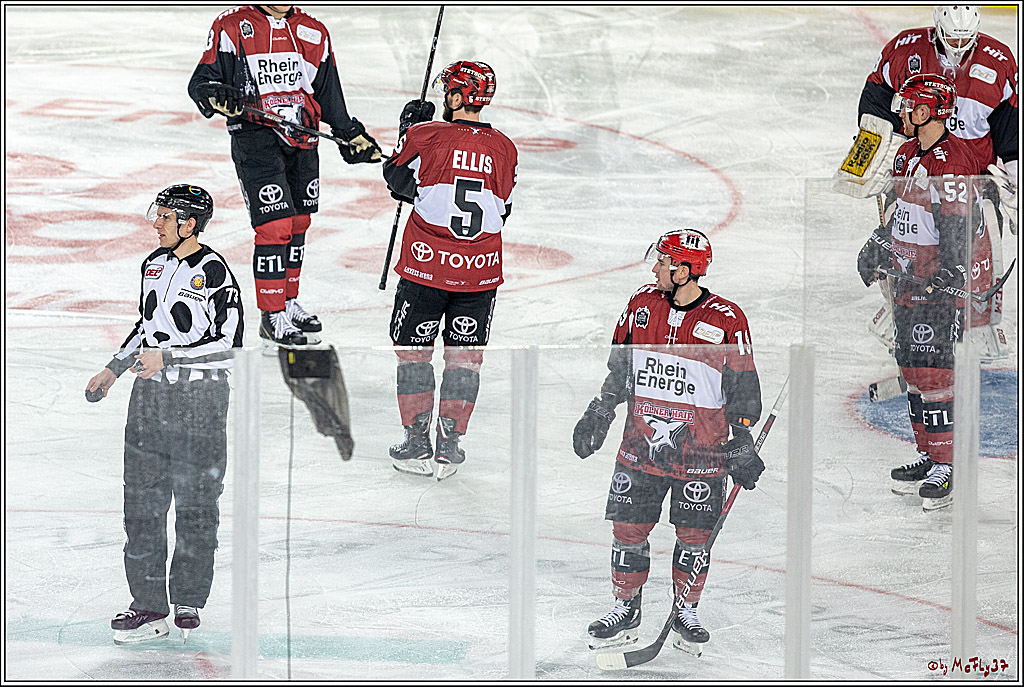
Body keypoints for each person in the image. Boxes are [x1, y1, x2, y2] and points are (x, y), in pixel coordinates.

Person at [572, 229, 763, 654]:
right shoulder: (641, 304)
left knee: (694, 536)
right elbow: (620, 365)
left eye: (663, 262)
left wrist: (743, 438)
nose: (655, 268)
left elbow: (744, 387)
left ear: (685, 270)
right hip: (641, 446)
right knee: (628, 530)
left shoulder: (726, 318)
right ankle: (626, 608)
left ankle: (685, 612)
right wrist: (602, 409)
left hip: (702, 452)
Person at [85, 185, 244, 644]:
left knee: (196, 505)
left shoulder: (214, 273)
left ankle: (189, 598)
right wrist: (114, 368)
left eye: (166, 216)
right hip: (149, 401)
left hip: (202, 403)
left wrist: (169, 357)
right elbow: (146, 326)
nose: (156, 222)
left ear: (190, 224)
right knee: (141, 505)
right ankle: (148, 607)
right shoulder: (152, 265)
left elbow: (229, 346)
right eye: (158, 213)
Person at [187, 4, 382, 346]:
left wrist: (349, 131)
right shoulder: (232, 25)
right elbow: (203, 81)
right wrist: (216, 95)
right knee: (274, 226)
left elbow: (327, 92)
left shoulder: (314, 30)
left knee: (298, 223)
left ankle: (289, 303)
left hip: (303, 136)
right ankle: (271, 315)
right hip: (255, 136)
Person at [382, 61, 519, 481]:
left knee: (414, 354)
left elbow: (396, 180)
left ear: (458, 97)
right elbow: (504, 209)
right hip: (479, 273)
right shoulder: (505, 147)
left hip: (425, 268)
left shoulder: (427, 135)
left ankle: (416, 442)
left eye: (449, 91)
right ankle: (449, 445)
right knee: (464, 360)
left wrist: (407, 131)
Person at [856, 5, 1017, 359]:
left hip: (972, 175)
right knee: (905, 243)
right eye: (952, 37)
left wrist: (1017, 174)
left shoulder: (999, 59)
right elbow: (875, 102)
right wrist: (872, 159)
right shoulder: (905, 49)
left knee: (980, 248)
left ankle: (982, 322)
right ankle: (901, 311)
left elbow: (1011, 126)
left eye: (966, 38)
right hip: (915, 167)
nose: (959, 45)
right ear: (937, 29)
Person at [856, 74, 986, 511]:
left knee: (935, 375)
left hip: (936, 286)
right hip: (907, 279)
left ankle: (948, 466)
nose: (902, 114)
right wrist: (880, 244)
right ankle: (929, 455)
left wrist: (951, 275)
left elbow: (958, 227)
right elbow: (902, 216)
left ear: (929, 110)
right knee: (911, 370)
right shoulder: (907, 154)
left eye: (909, 106)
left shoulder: (953, 158)